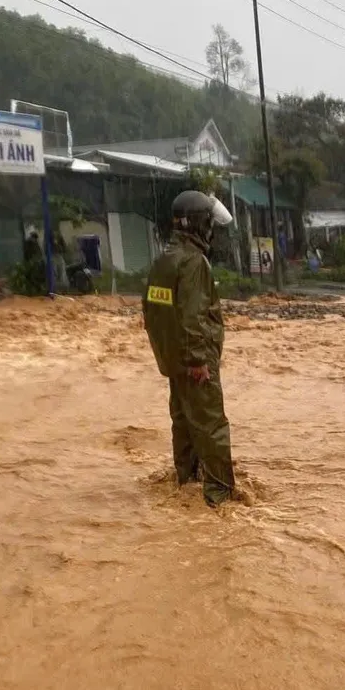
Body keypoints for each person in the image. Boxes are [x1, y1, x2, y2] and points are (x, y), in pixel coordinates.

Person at [143, 191, 237, 507]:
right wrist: (198, 359)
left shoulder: (164, 259)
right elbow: (193, 314)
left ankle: (185, 484)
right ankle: (220, 496)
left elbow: (155, 314)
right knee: (210, 424)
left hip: (174, 359)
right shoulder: (193, 262)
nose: (211, 229)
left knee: (183, 422)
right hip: (195, 359)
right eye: (208, 223)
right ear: (198, 224)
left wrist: (175, 358)